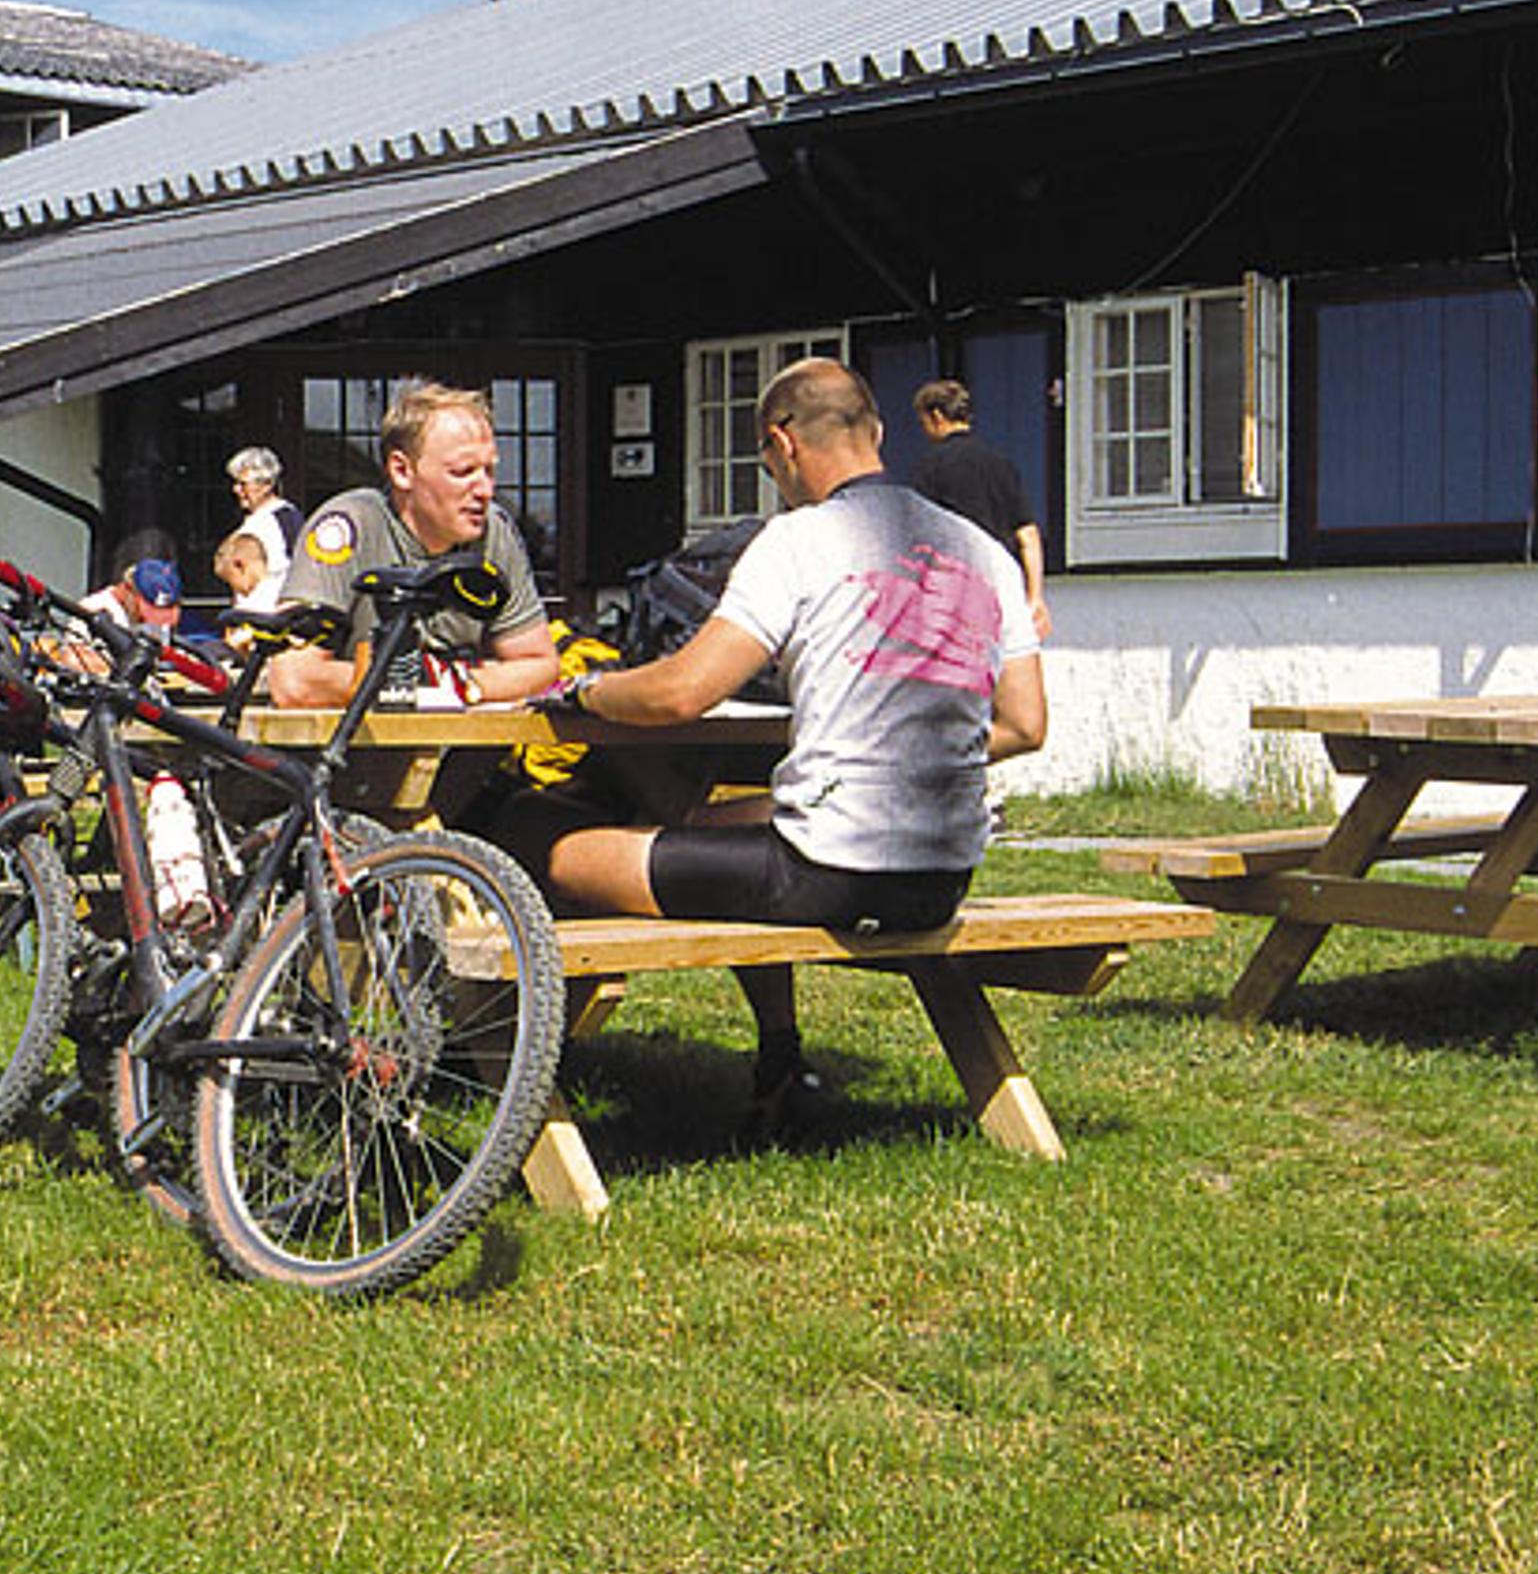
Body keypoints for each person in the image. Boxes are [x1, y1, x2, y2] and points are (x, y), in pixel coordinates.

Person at [538, 359, 1046, 1131]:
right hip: (943, 873)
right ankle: (779, 1052)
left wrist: (585, 690)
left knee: (562, 850)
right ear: (875, 433)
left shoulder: (798, 540)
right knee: (718, 824)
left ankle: (524, 1064)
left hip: (829, 873)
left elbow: (683, 691)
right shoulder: (983, 552)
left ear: (781, 444)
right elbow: (1026, 723)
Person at [258, 382, 558, 711]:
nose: (485, 490)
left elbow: (540, 664)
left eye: (489, 470)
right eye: (463, 472)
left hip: (462, 749)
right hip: (358, 753)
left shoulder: (494, 531)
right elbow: (293, 681)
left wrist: (454, 684)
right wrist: (415, 687)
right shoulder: (349, 525)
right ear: (402, 471)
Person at [906, 377, 1052, 648]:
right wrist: (1035, 597)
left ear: (937, 416)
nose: (923, 430)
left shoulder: (929, 468)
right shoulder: (1001, 465)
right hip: (1003, 589)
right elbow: (1028, 535)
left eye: (923, 421)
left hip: (955, 595)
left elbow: (915, 540)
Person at [226, 446, 302, 601]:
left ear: (266, 485)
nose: (236, 490)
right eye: (236, 483)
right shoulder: (255, 519)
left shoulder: (284, 520)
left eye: (243, 484)